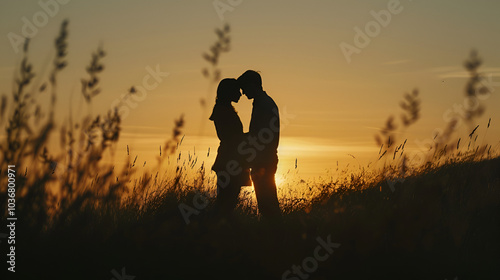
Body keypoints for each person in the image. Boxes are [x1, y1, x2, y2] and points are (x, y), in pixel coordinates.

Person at [237, 70, 282, 221]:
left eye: (244, 88)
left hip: (263, 160)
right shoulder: (263, 102)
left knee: (267, 204)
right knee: (267, 203)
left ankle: (278, 236)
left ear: (253, 85)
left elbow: (261, 135)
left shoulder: (264, 104)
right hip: (263, 159)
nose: (242, 92)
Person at [210, 78, 251, 221]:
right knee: (226, 201)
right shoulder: (223, 110)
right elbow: (230, 137)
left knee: (227, 201)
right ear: (229, 92)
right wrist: (251, 136)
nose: (240, 94)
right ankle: (213, 229)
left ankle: (216, 229)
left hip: (230, 160)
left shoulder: (223, 109)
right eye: (237, 91)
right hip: (230, 161)